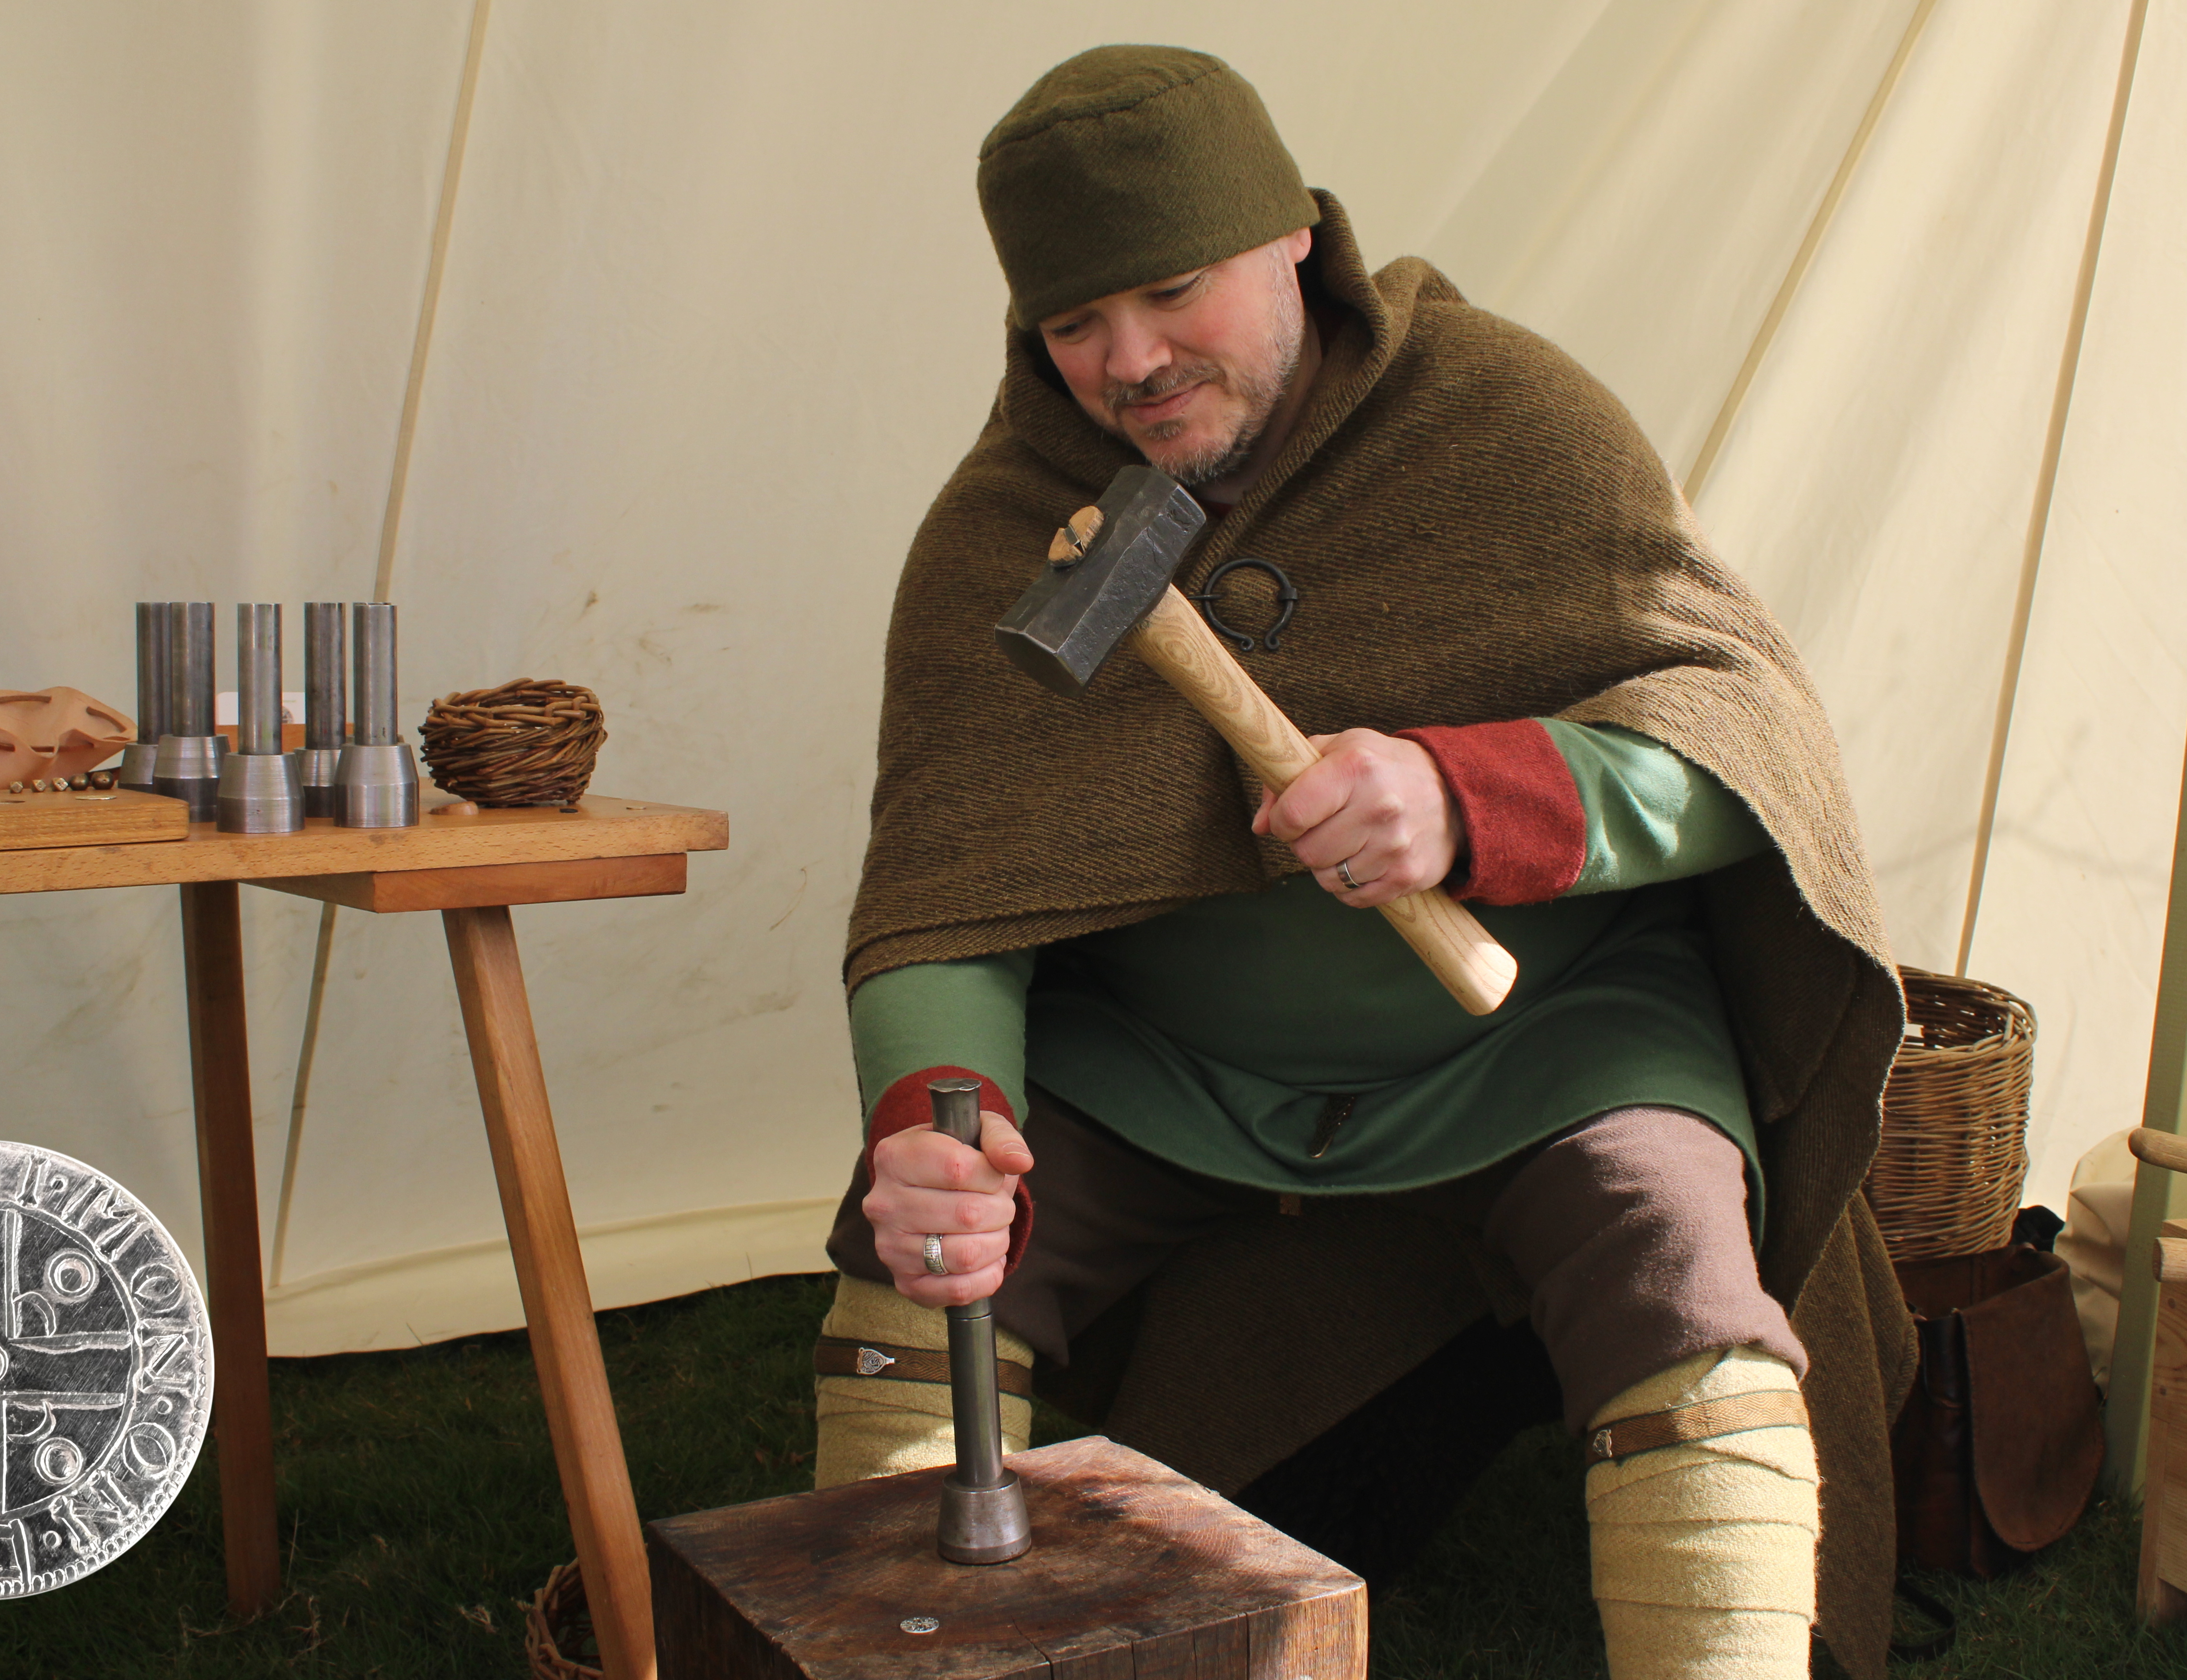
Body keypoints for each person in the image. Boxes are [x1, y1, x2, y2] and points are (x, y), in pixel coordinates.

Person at [814, 44, 1911, 1680]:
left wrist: (1474, 795)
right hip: (1171, 1070)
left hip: (1546, 1033)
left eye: (1169, 292)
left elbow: (1738, 741)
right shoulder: (1014, 518)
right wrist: (932, 1130)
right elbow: (944, 896)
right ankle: (893, 1646)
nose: (1124, 362)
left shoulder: (1504, 416)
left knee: (1674, 1259)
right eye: (1070, 325)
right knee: (918, 1266)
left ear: (1289, 244)